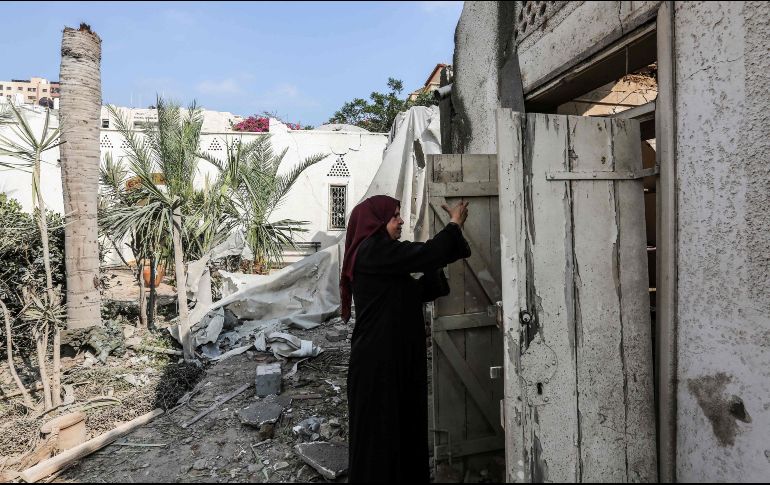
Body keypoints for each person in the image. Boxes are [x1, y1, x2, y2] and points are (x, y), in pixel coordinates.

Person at [341, 194, 471, 483]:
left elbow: (414, 292)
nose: (400, 221)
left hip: (393, 362)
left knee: (401, 432)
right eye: (394, 216)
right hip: (378, 366)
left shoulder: (384, 256)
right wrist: (453, 226)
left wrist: (433, 259)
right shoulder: (371, 251)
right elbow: (421, 255)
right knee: (379, 439)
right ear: (376, 222)